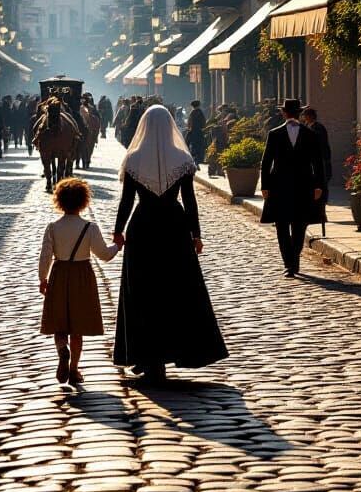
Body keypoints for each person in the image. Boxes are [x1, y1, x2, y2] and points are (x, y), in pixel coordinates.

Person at [112, 105, 228, 384]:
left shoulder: (134, 159)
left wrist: (117, 230)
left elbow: (127, 200)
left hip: (143, 227)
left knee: (142, 290)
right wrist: (196, 234)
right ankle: (175, 349)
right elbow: (190, 201)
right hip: (174, 227)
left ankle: (144, 353)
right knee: (177, 289)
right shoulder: (182, 160)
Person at [39, 177, 122, 385]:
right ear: (83, 201)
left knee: (59, 324)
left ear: (59, 200)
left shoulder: (52, 227)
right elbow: (104, 254)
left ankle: (61, 350)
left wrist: (43, 278)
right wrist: (118, 246)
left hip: (59, 275)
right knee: (77, 328)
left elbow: (45, 256)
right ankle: (74, 369)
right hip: (82, 276)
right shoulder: (89, 228)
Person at [260, 99, 326, 278]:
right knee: (286, 225)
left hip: (300, 185)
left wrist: (319, 184)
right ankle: (290, 262)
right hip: (282, 186)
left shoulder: (309, 134)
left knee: (297, 225)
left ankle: (292, 262)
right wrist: (265, 185)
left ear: (284, 113)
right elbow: (266, 162)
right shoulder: (275, 134)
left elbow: (317, 161)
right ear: (300, 113)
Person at [301, 106, 333, 188]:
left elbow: (319, 142)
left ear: (311, 116)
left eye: (305, 115)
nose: (304, 117)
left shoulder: (318, 127)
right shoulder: (307, 126)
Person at [185, 99, 206, 165]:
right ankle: (200, 159)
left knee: (192, 144)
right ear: (199, 105)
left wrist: (189, 128)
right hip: (199, 131)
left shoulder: (192, 112)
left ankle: (194, 158)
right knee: (200, 144)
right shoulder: (200, 112)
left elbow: (189, 122)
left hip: (193, 131)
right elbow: (204, 122)